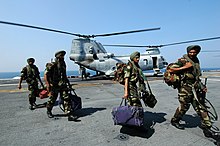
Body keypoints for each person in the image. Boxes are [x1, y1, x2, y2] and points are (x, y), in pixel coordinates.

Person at [168, 45, 220, 140]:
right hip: (185, 88)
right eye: (190, 52)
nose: (192, 53)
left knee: (201, 107)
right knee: (184, 107)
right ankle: (175, 120)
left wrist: (202, 86)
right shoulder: (182, 60)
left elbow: (196, 76)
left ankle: (207, 126)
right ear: (188, 52)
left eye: (194, 52)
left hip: (195, 87)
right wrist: (185, 67)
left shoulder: (196, 60)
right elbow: (171, 69)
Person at [44, 50, 77, 121]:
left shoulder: (63, 63)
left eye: (63, 56)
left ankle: (69, 114)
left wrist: (68, 83)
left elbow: (64, 74)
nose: (63, 57)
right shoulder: (53, 64)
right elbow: (46, 74)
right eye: (61, 56)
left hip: (63, 84)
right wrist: (48, 84)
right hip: (55, 85)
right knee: (52, 99)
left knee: (66, 98)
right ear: (57, 56)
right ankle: (49, 110)